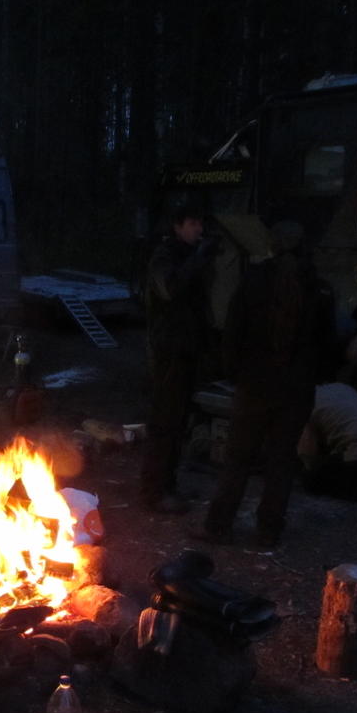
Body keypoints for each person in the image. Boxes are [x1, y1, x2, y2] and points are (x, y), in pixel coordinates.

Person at [195, 220, 326, 546]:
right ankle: (268, 531)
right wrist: (312, 377)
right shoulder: (318, 287)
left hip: (255, 386)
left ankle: (218, 526)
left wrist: (235, 373)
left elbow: (233, 332)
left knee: (238, 458)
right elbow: (326, 344)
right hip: (296, 391)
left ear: (272, 245)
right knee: (281, 461)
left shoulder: (254, 281)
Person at [139, 206, 217, 514]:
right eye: (193, 223)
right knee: (165, 422)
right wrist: (198, 259)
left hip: (186, 349)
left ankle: (167, 484)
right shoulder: (165, 256)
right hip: (168, 352)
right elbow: (170, 290)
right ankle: (153, 490)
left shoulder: (187, 256)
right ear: (177, 226)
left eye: (200, 223)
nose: (199, 229)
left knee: (179, 422)